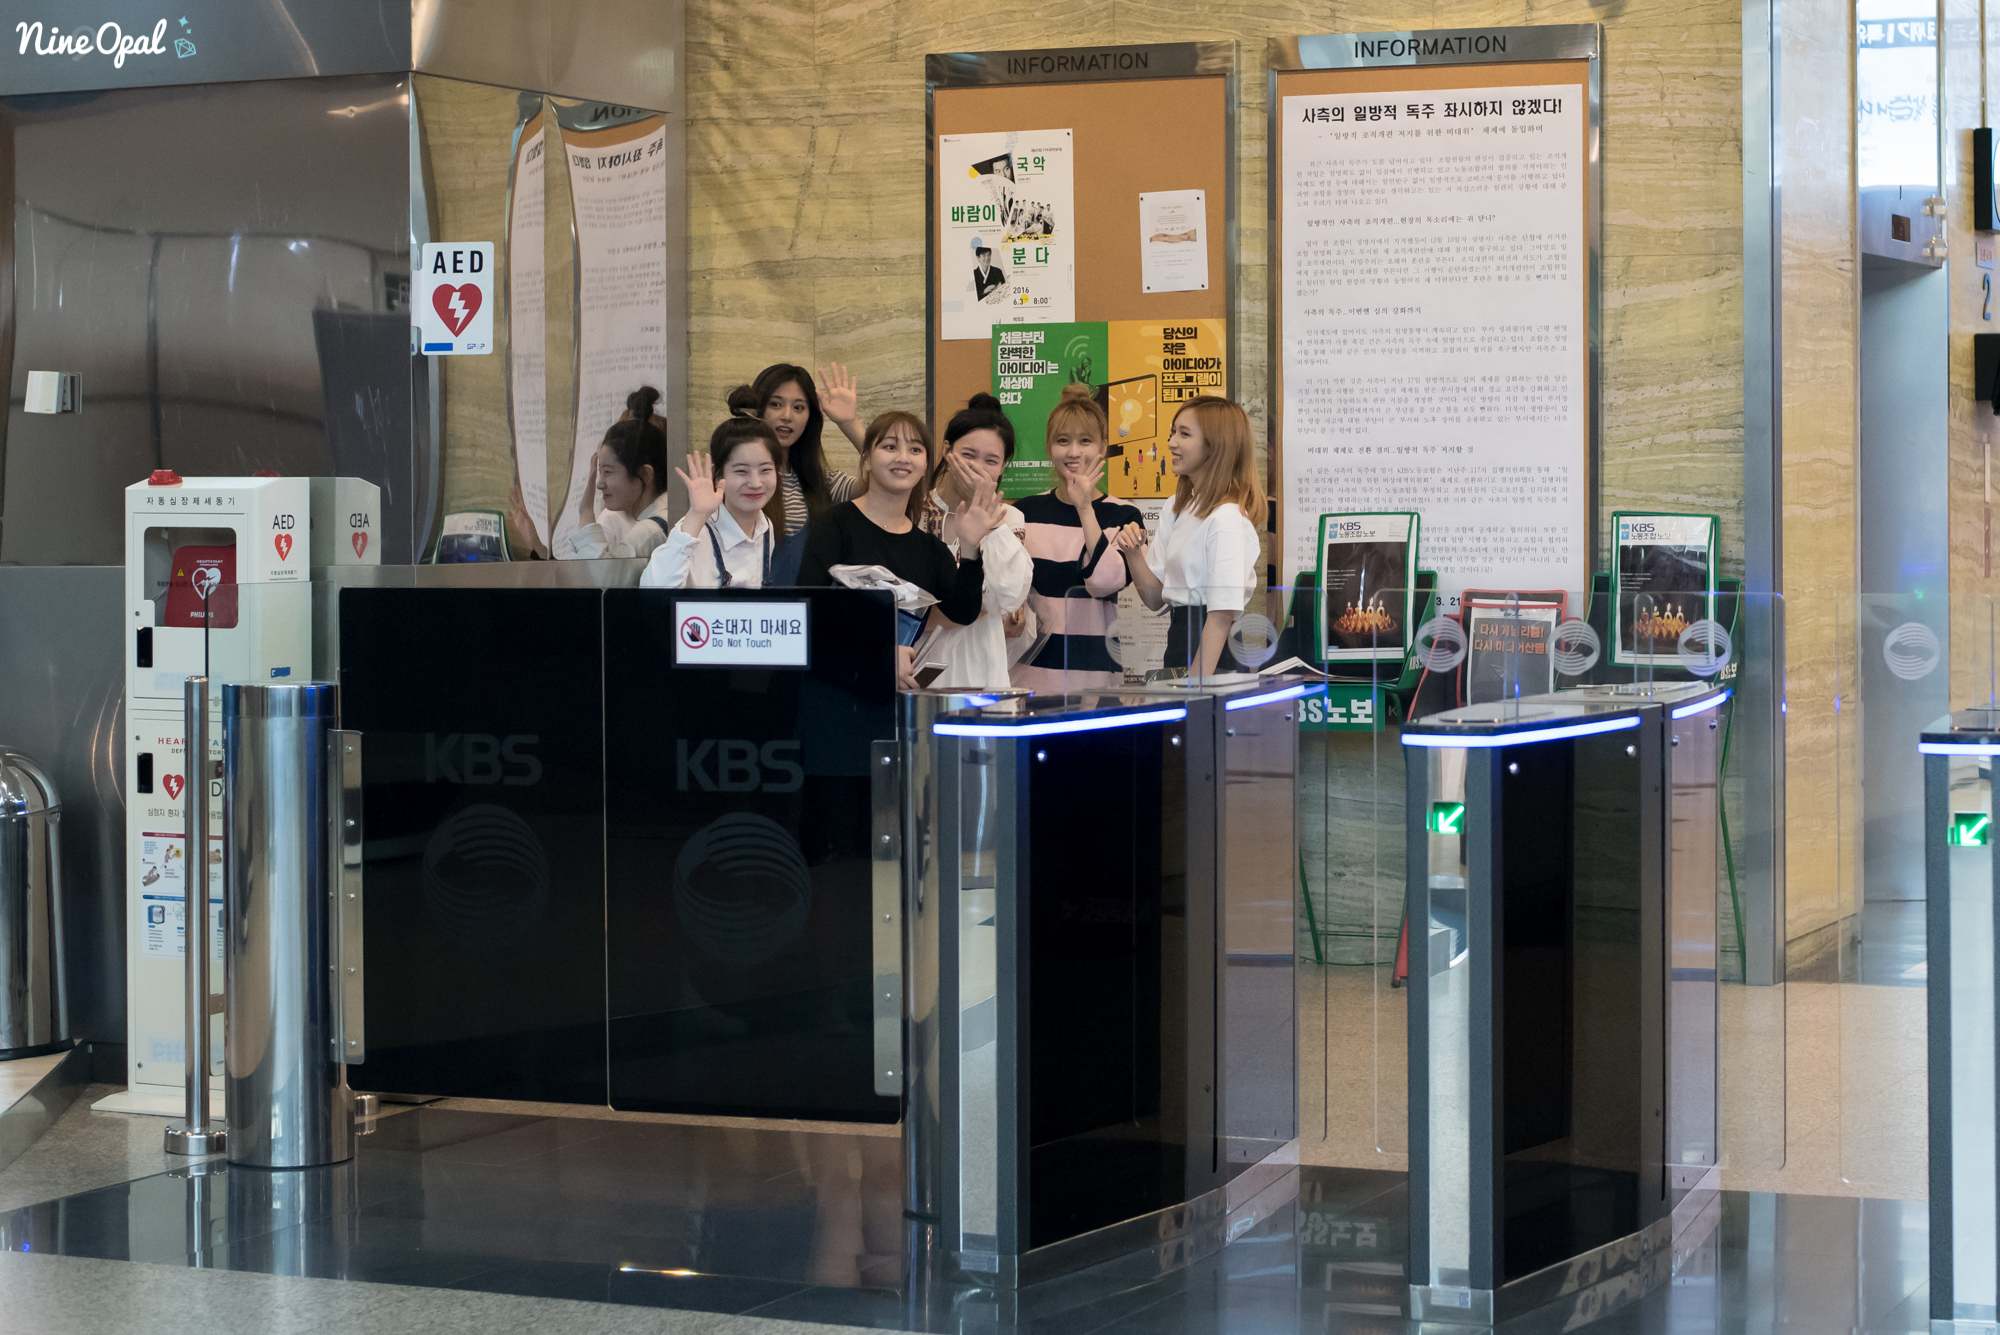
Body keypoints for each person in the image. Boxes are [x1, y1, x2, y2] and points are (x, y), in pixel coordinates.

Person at [799, 411, 1001, 689]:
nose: (903, 457)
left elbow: (963, 612)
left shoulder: (929, 548)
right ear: (866, 459)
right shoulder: (833, 524)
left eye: (915, 449)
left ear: (925, 466)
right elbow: (808, 613)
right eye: (890, 446)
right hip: (833, 690)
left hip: (893, 697)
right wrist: (878, 653)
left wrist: (970, 547)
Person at [1114, 396, 1264, 679]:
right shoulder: (1176, 506)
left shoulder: (1227, 518)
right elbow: (1155, 599)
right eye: (1173, 432)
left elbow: (1221, 617)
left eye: (1184, 434)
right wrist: (1133, 552)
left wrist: (1196, 686)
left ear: (1214, 446)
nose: (1171, 442)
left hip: (1214, 650)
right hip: (1179, 640)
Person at [1012, 383, 1145, 691]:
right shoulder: (1023, 513)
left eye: (1085, 441)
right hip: (1027, 677)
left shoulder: (1124, 515)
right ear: (1049, 448)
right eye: (1063, 441)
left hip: (1095, 681)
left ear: (1103, 446)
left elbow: (1103, 583)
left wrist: (1085, 508)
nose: (1073, 452)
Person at [922, 394, 1032, 691]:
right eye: (968, 455)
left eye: (991, 461)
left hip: (982, 668)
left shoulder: (1009, 518)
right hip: (917, 666)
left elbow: (1009, 596)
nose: (977, 468)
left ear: (1003, 466)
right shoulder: (913, 511)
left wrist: (989, 517)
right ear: (947, 450)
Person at [729, 364, 864, 584]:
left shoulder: (824, 481)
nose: (787, 416)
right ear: (757, 408)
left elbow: (881, 484)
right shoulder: (738, 479)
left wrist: (849, 424)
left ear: (810, 417)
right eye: (775, 404)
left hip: (812, 605)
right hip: (754, 605)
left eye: (799, 407)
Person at [640, 417, 785, 589]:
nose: (755, 483)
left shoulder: (765, 527)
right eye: (741, 471)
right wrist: (697, 515)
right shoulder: (697, 533)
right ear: (717, 474)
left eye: (765, 470)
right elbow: (653, 591)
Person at [567, 387, 672, 559]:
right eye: (600, 471)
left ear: (645, 474)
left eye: (608, 472)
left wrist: (586, 514)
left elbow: (602, 572)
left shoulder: (653, 530)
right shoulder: (658, 519)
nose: (600, 484)